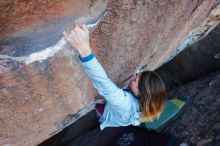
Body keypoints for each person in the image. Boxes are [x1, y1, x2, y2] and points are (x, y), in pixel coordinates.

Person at [63, 24, 167, 130]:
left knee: (111, 102)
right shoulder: (144, 104)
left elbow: (103, 83)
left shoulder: (124, 104)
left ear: (140, 93)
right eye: (137, 74)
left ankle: (104, 114)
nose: (133, 76)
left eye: (135, 79)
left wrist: (85, 50)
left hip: (110, 115)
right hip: (121, 115)